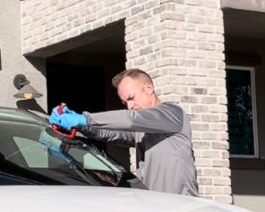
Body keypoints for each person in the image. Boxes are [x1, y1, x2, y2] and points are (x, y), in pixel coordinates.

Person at [49, 68, 199, 195]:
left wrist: (84, 118)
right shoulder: (142, 129)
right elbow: (113, 133)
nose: (130, 106)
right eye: (125, 102)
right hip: (154, 205)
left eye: (131, 98)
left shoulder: (172, 113)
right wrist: (81, 126)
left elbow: (130, 119)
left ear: (149, 88)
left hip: (181, 207)